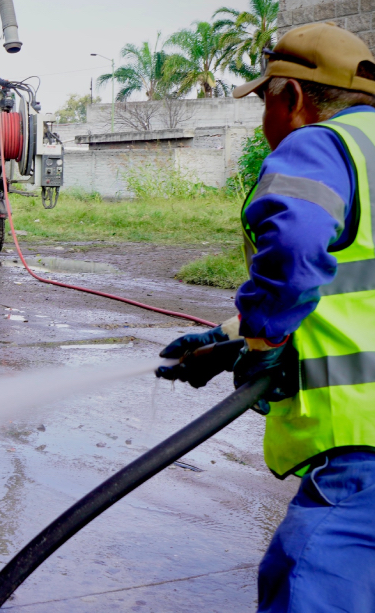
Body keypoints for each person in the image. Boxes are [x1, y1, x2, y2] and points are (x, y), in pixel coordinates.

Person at [156, 23, 375, 612]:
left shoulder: (323, 144)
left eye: (264, 100)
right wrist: (233, 336)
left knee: (300, 592)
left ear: (293, 98)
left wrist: (262, 337)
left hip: (363, 460)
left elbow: (300, 245)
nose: (265, 118)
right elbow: (354, 285)